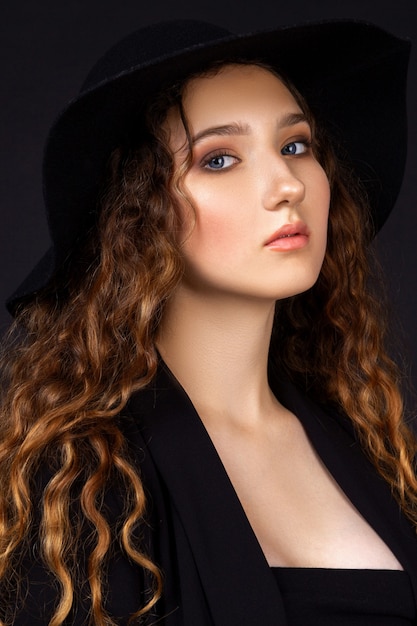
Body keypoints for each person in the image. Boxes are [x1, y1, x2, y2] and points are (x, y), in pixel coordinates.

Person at [0, 18, 416, 626]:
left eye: (295, 146)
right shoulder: (80, 483)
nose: (285, 186)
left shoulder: (365, 446)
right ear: (138, 212)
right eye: (220, 159)